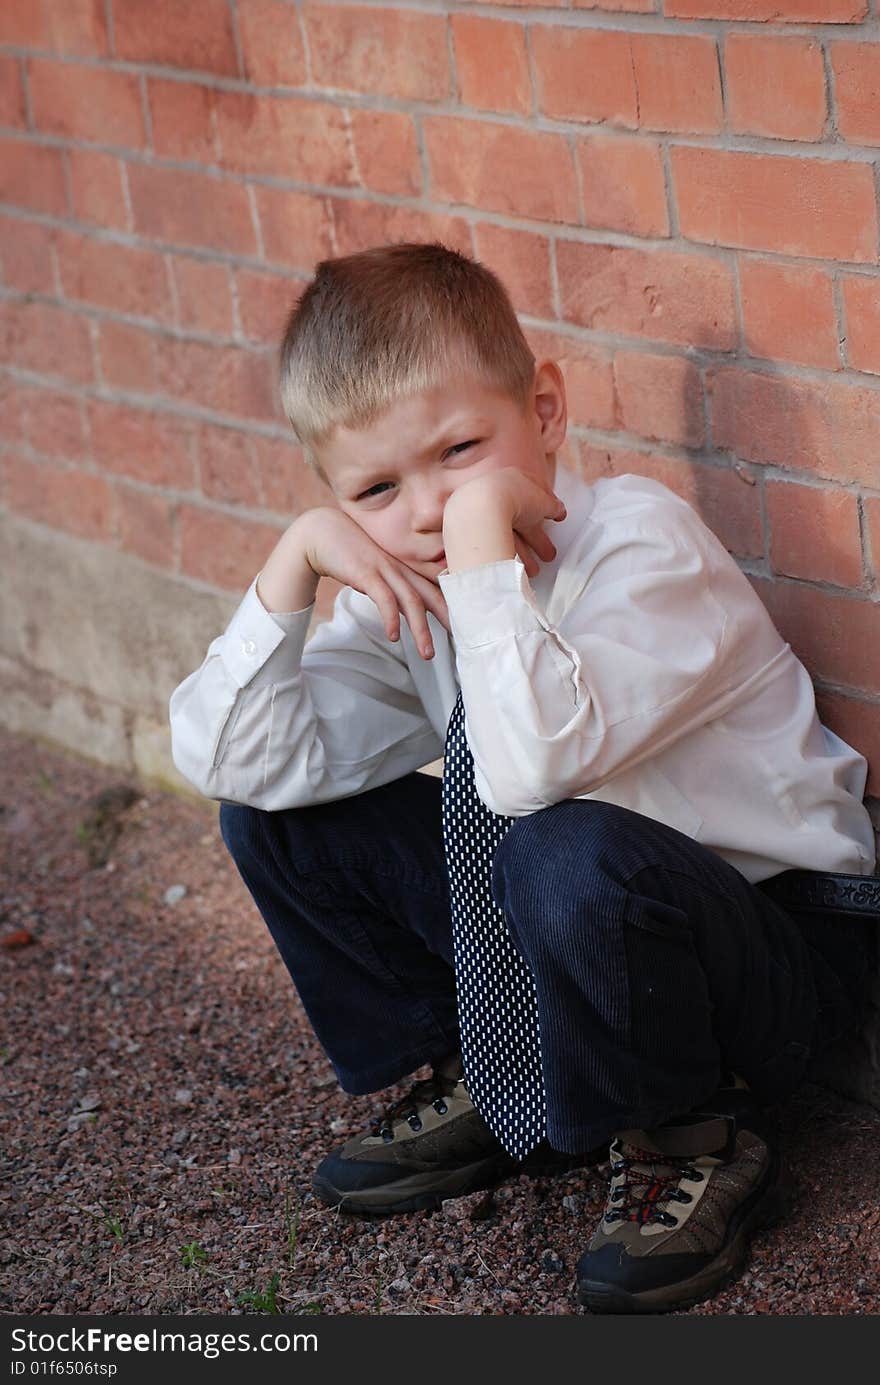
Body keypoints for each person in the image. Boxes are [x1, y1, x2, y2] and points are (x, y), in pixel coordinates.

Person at [169, 242, 877, 1315]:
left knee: (560, 839)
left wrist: (482, 548)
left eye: (458, 449)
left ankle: (686, 1130)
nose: (423, 510)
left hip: (768, 951)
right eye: (373, 488)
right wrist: (294, 566)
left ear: (542, 408)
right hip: (575, 922)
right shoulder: (411, 589)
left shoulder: (642, 548)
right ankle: (494, 1070)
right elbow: (241, 762)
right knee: (282, 820)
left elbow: (533, 770)